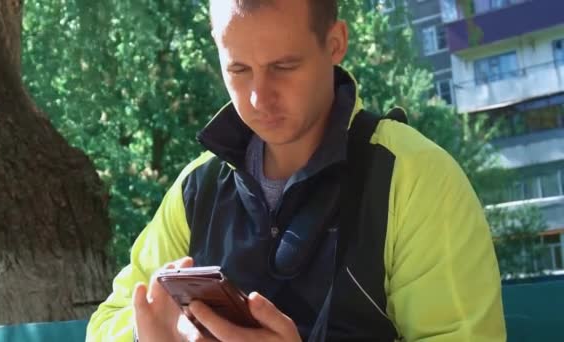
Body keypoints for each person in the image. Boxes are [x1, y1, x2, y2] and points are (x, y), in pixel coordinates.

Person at [86, 0, 506, 341]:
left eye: (284, 67)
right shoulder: (197, 188)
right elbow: (107, 325)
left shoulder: (415, 178)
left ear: (336, 41)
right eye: (238, 69)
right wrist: (158, 335)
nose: (257, 98)